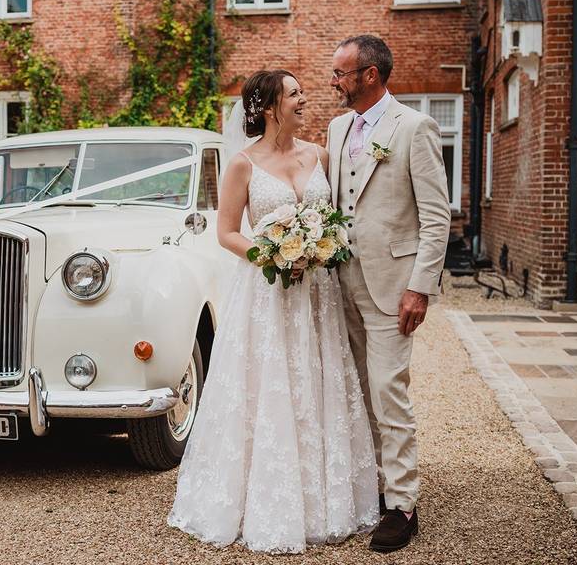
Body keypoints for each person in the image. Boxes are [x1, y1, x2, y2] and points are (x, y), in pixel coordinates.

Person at [167, 69, 379, 554]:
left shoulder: (320, 155)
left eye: (301, 92)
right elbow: (226, 233)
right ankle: (259, 501)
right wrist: (274, 255)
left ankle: (326, 499)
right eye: (294, 94)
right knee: (266, 387)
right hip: (269, 291)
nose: (304, 99)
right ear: (268, 106)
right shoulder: (242, 165)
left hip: (318, 294)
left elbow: (337, 218)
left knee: (317, 382)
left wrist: (319, 249)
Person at [327, 35, 451, 552]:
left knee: (388, 393)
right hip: (340, 284)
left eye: (341, 72)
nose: (333, 81)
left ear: (371, 75)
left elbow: (436, 216)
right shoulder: (337, 128)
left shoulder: (414, 127)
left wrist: (419, 289)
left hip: (391, 286)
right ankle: (374, 486)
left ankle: (403, 504)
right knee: (356, 391)